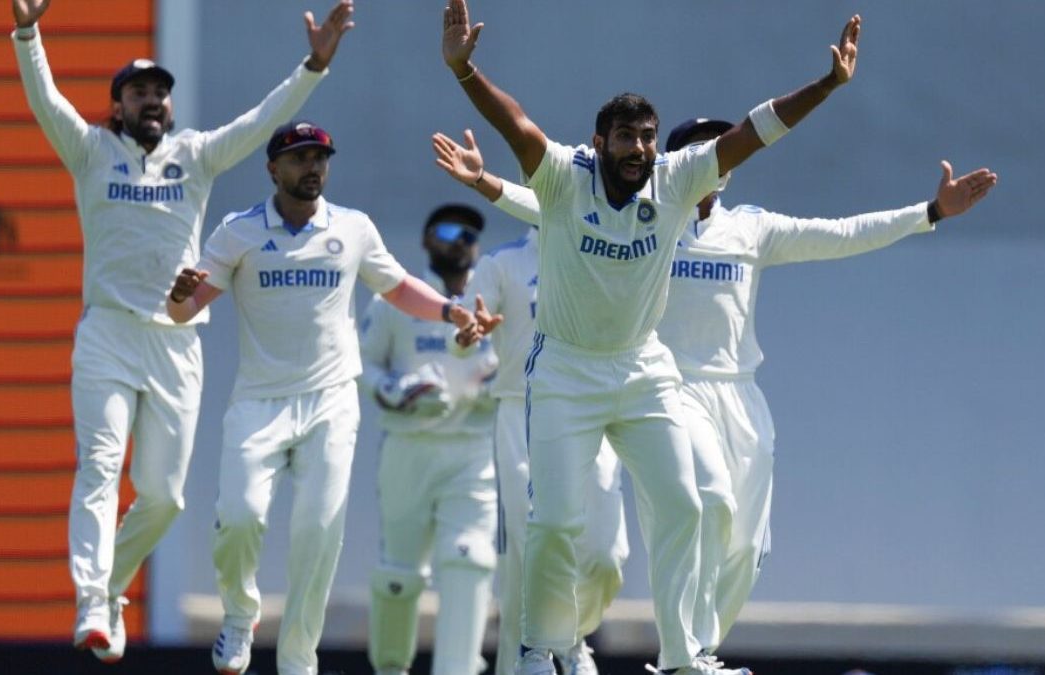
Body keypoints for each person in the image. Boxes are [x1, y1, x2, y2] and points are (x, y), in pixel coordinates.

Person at [432, 123, 997, 661]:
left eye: (723, 152)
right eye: (706, 151)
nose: (719, 162)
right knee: (708, 500)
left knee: (745, 548)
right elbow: (547, 206)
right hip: (666, 388)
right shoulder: (647, 214)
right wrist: (486, 182)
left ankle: (701, 648)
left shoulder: (751, 228)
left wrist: (928, 213)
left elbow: (842, 234)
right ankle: (683, 650)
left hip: (740, 395)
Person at [441, 1, 859, 672]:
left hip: (642, 369)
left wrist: (827, 85)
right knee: (553, 525)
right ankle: (544, 647)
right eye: (627, 136)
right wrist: (465, 72)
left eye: (648, 136)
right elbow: (513, 124)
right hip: (566, 373)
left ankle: (682, 656)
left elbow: (756, 131)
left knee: (684, 506)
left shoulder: (676, 178)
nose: (639, 149)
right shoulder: (560, 175)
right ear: (600, 140)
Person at [11, 0, 355, 661]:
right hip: (108, 334)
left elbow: (260, 125)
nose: (152, 100)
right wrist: (28, 34)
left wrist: (314, 65)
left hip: (175, 342)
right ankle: (90, 601)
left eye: (159, 92)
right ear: (117, 105)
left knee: (164, 497)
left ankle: (111, 585)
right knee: (100, 467)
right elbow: (45, 99)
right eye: (138, 91)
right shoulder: (89, 150)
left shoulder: (195, 156)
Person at [165, 121, 496, 675]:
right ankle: (241, 613)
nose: (312, 168)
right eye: (298, 158)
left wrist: (449, 310)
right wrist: (177, 300)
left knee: (318, 530)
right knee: (240, 516)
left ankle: (298, 656)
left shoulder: (353, 228)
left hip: (330, 401)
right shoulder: (238, 232)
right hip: (259, 400)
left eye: (320, 158)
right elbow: (186, 309)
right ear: (273, 169)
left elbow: (395, 287)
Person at [426, 159, 630, 675]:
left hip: (591, 408)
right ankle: (527, 659)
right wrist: (468, 332)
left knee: (607, 552)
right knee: (527, 549)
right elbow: (468, 327)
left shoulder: (606, 252)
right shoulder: (503, 263)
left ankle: (571, 635)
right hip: (523, 410)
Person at [359, 204, 501, 675]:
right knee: (399, 576)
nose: (458, 240)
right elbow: (363, 366)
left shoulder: (494, 300)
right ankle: (391, 667)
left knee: (469, 560)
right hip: (408, 448)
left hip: (472, 450)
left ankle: (457, 669)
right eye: (446, 230)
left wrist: (494, 386)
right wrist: (396, 392)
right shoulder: (393, 302)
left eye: (468, 233)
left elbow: (524, 365)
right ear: (425, 240)